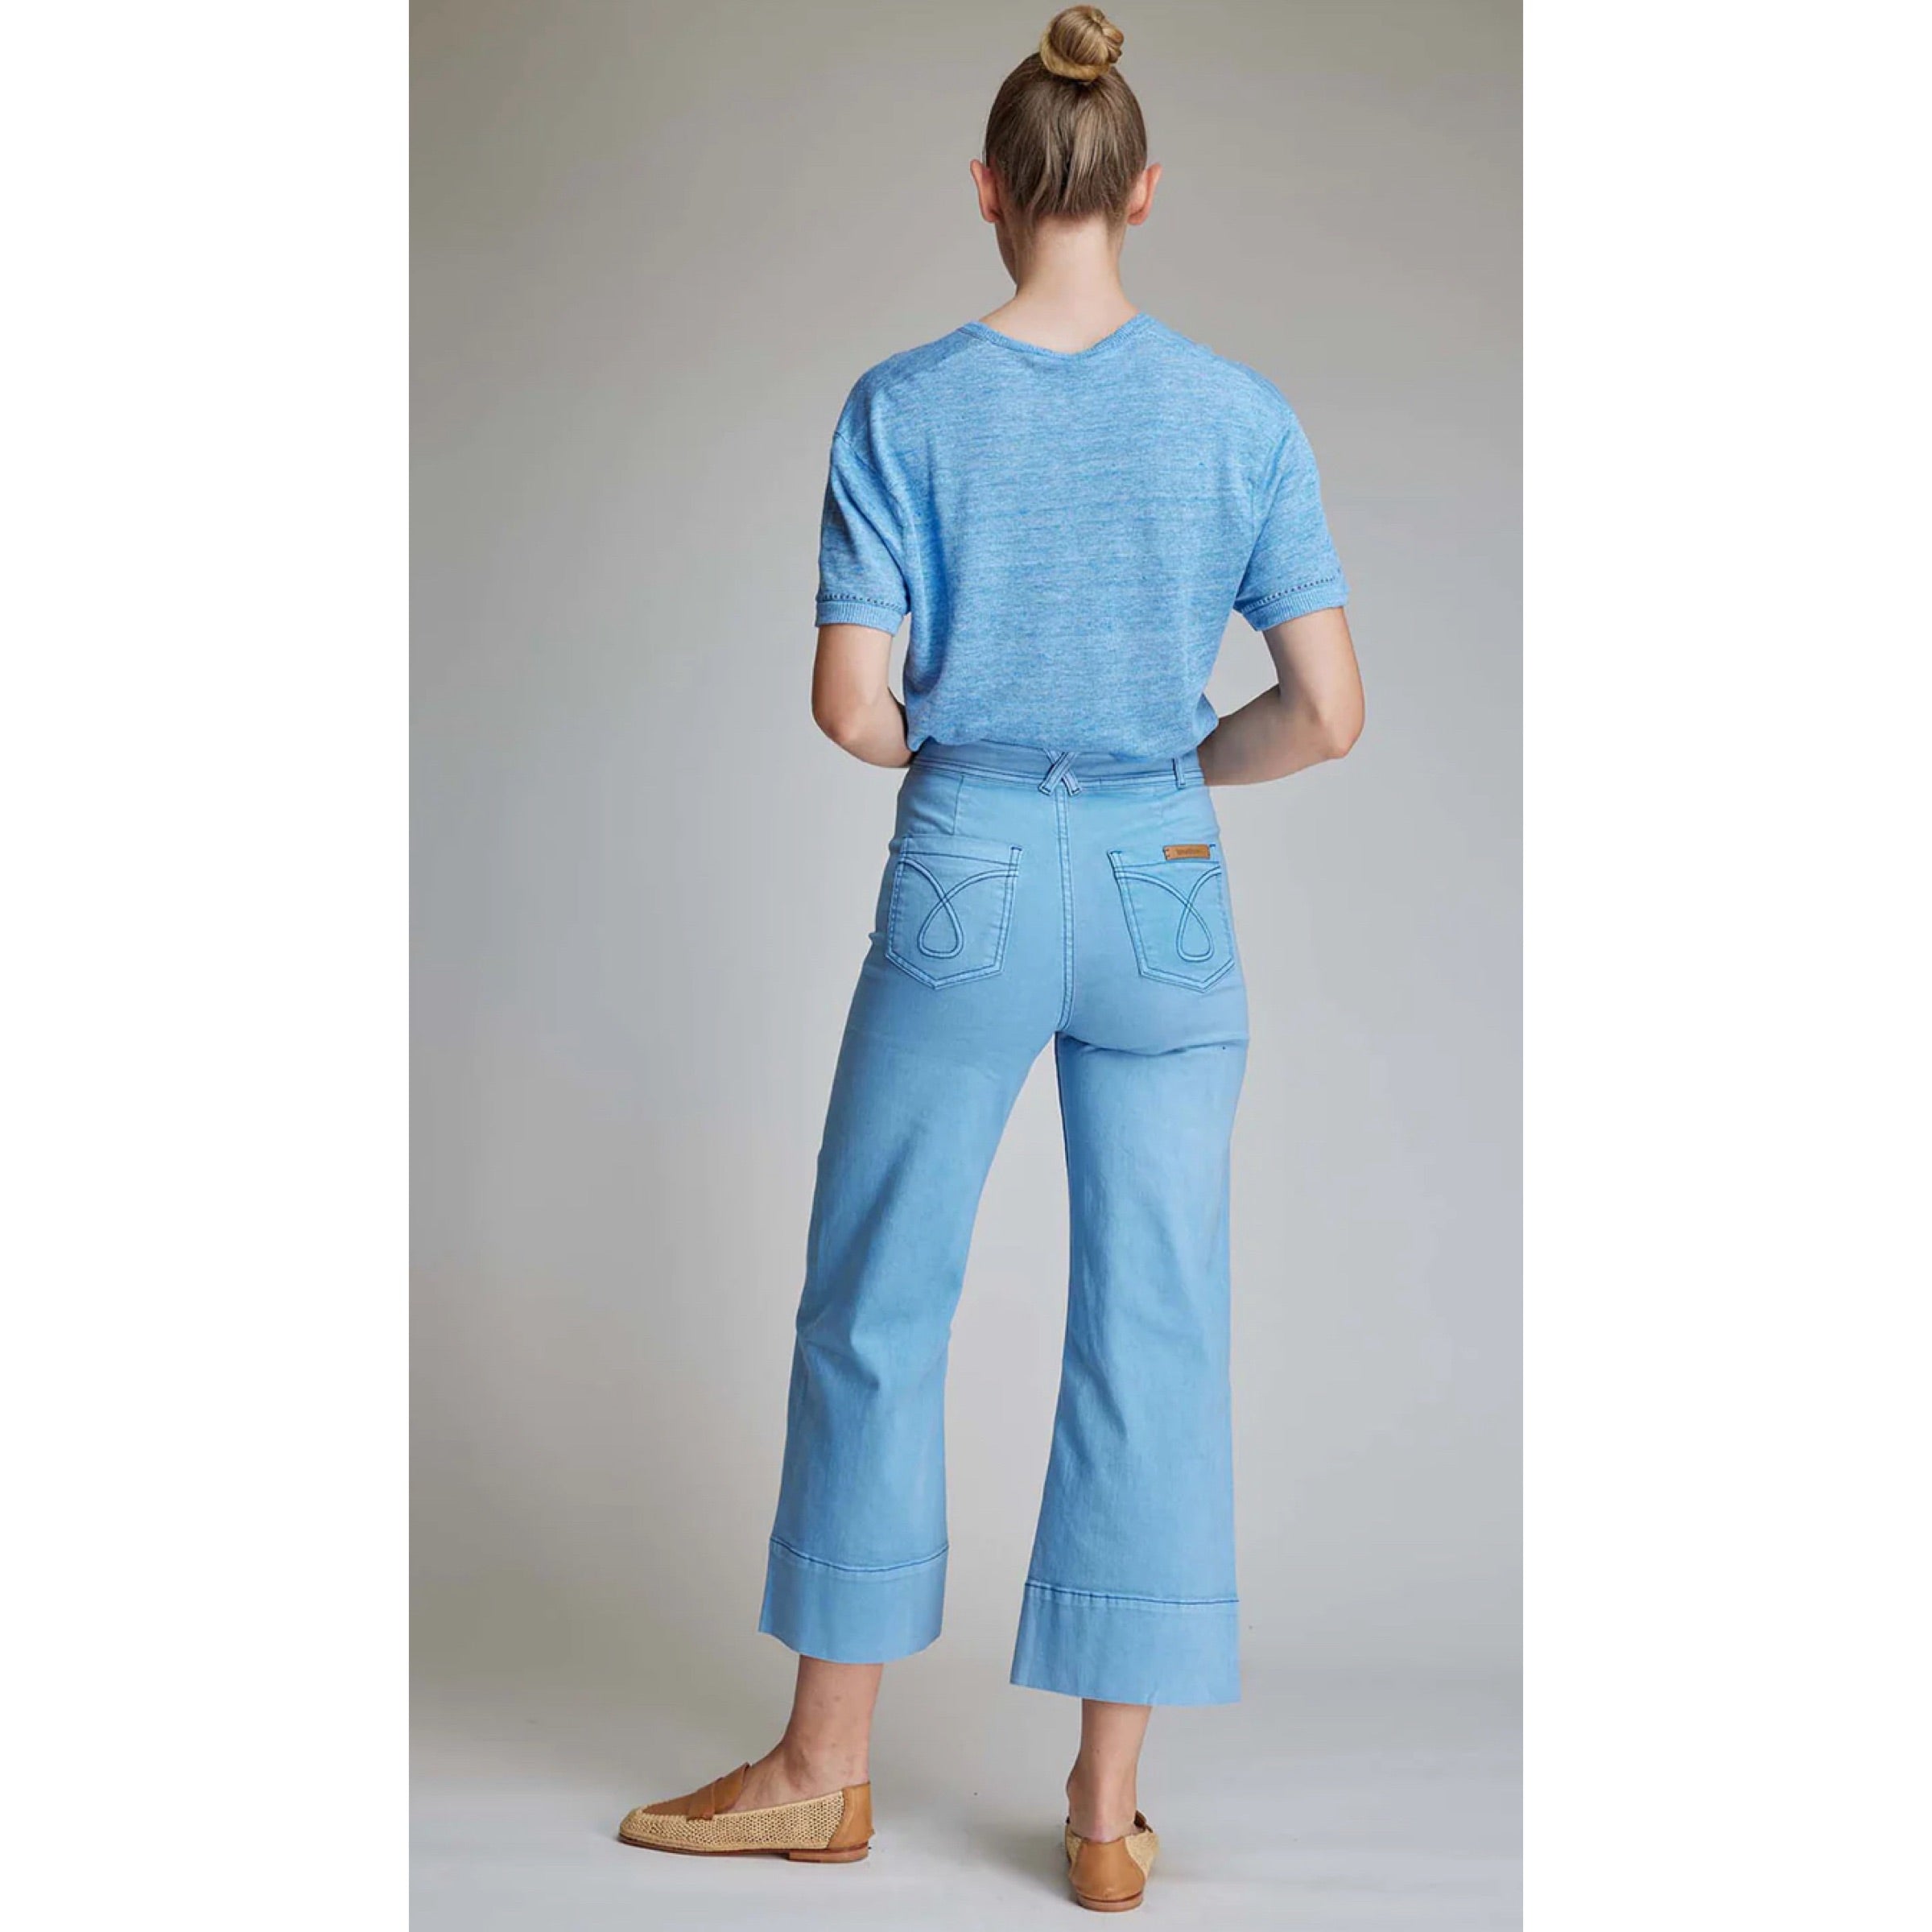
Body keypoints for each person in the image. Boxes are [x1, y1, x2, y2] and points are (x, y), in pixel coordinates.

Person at [618, 5, 1364, 1910]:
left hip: (968, 860)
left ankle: (820, 1770)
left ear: (987, 188)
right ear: (1142, 189)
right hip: (1164, 873)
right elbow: (1329, 712)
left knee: (878, 1296)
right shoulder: (1242, 415)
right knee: (1157, 1318)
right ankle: (1106, 1814)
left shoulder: (903, 407)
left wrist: (958, 751)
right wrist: (1174, 775)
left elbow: (850, 706)